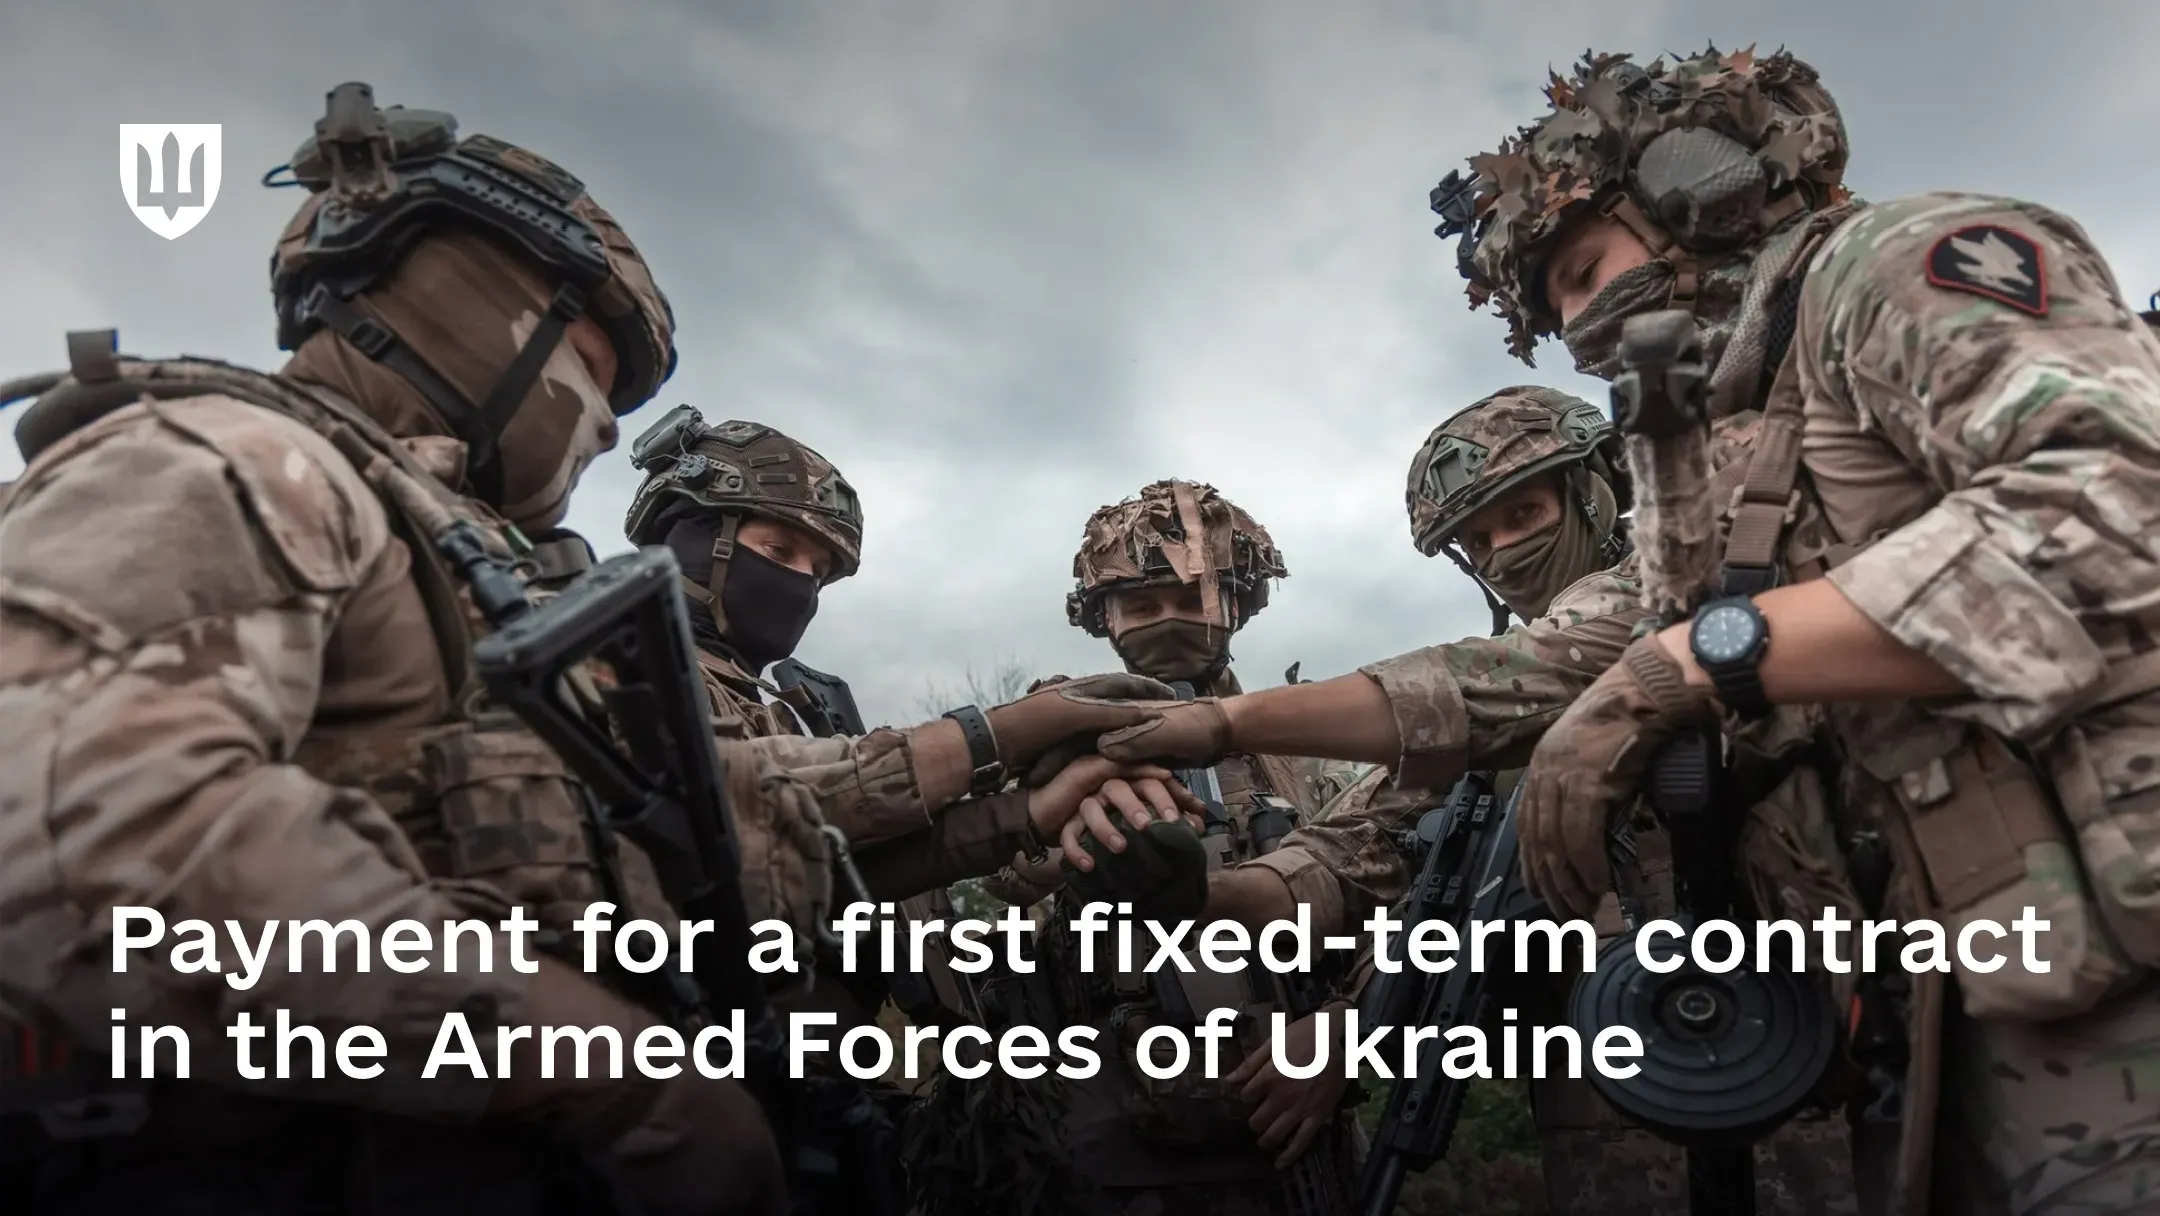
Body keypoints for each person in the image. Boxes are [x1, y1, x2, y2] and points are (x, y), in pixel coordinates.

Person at [0, 84, 1187, 1216]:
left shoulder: (447, 566)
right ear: (477, 302)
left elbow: (685, 820)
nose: (608, 423)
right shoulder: (230, 466)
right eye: (598, 370)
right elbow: (84, 838)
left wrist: (1009, 773)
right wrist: (621, 1083)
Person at [1435, 46, 2160, 1216]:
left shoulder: (1894, 264)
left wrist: (1679, 668)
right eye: (1554, 308)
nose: (1577, 327)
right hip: (1956, 997)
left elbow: (2117, 509)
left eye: (1581, 270)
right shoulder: (1722, 443)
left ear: (1692, 185)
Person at [987, 478, 1363, 1216]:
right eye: (1141, 605)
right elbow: (1004, 875)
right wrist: (1073, 824)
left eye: (1188, 599)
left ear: (1233, 603)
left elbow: (1378, 888)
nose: (1167, 621)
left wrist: (1346, 1032)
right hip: (1109, 1099)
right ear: (1104, 617)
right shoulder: (1049, 723)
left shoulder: (1298, 738)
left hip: (1286, 1093)